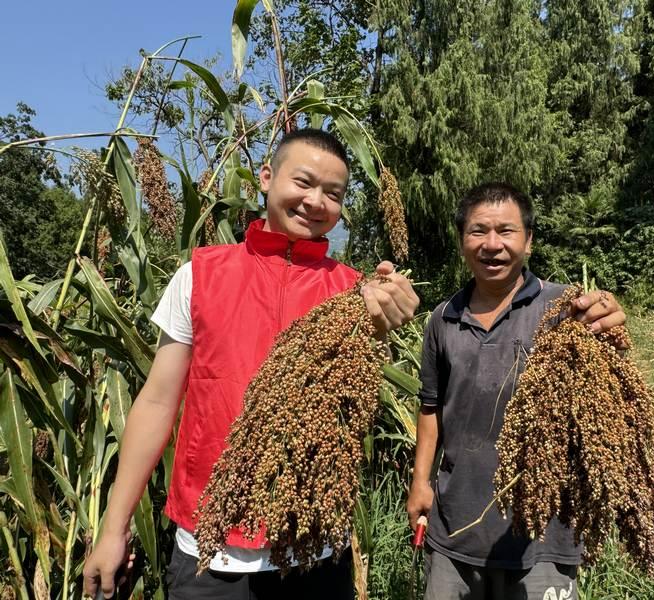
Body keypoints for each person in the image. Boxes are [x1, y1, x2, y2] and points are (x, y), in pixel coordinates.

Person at [83, 128, 419, 600]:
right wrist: (114, 529)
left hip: (315, 551)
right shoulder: (199, 274)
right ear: (266, 177)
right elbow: (157, 402)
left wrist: (380, 324)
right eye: (303, 182)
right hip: (212, 549)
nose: (315, 201)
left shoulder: (352, 292)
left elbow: (351, 411)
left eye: (333, 194)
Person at [406, 182, 627, 600]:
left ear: (528, 241)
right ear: (461, 242)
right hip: (455, 530)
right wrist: (421, 481)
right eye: (478, 231)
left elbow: (606, 355)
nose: (492, 244)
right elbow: (431, 406)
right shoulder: (442, 319)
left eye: (506, 231)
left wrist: (609, 322)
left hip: (543, 537)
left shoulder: (563, 309)